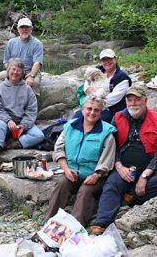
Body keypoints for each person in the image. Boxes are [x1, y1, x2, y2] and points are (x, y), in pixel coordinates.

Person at [90, 85, 157, 235]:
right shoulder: (117, 118)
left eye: (137, 100)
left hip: (150, 168)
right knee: (112, 184)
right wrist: (119, 166)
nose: (133, 103)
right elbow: (112, 147)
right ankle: (102, 222)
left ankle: (133, 196)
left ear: (145, 100)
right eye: (130, 100)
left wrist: (145, 176)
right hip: (125, 167)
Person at [46, 96, 116, 227]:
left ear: (101, 113)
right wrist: (66, 170)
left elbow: (108, 159)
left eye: (96, 110)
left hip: (96, 176)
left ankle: (75, 228)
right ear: (82, 110)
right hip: (72, 172)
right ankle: (49, 223)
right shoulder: (69, 127)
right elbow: (59, 149)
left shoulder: (107, 132)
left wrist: (97, 175)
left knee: (85, 191)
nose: (92, 113)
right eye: (89, 108)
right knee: (62, 184)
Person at [0, 58, 44, 174]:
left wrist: (23, 125)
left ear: (22, 73)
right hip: (5, 121)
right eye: (13, 69)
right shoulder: (0, 88)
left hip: (21, 123)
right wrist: (8, 120)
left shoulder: (27, 90)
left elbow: (32, 111)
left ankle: (13, 144)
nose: (15, 73)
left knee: (39, 135)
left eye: (18, 70)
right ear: (8, 71)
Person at [0, 17, 43, 124]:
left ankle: (31, 115)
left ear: (31, 29)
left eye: (27, 27)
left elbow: (37, 63)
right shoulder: (11, 42)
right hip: (13, 70)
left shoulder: (37, 43)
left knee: (35, 83)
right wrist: (11, 74)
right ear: (18, 29)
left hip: (29, 71)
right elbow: (6, 62)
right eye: (22, 27)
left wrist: (31, 76)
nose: (24, 30)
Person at [76, 48, 131, 123]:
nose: (106, 62)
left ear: (115, 59)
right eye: (103, 60)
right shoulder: (98, 70)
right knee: (77, 116)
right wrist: (88, 89)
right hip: (93, 102)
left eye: (109, 59)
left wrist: (94, 99)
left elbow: (112, 99)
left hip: (111, 108)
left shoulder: (123, 78)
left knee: (96, 120)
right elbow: (87, 82)